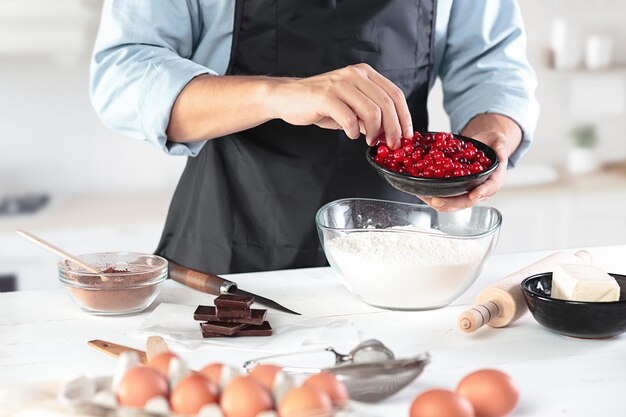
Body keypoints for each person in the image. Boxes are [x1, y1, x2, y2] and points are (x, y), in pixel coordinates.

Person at [90, 0, 539, 274]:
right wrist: (276, 94)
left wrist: (493, 135)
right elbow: (121, 76)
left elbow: (492, 64)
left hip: (400, 252)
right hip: (229, 249)